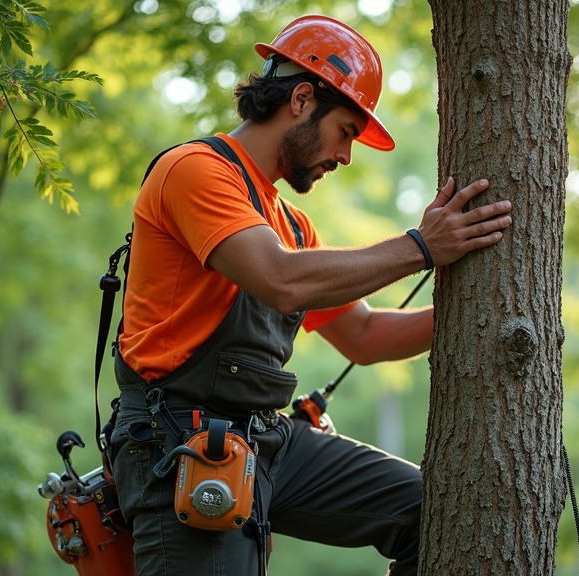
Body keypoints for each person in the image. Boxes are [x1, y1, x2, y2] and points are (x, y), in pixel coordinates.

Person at [108, 13, 512, 576]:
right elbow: (279, 279)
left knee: (434, 512)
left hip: (266, 439)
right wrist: (421, 247)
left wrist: (479, 306)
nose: (346, 156)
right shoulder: (196, 170)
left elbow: (366, 336)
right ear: (301, 99)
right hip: (179, 441)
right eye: (346, 131)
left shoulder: (293, 225)